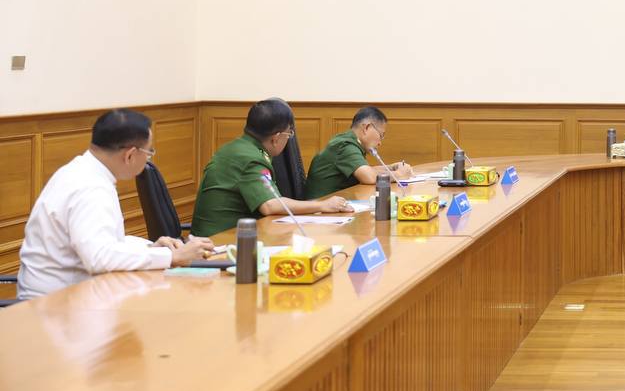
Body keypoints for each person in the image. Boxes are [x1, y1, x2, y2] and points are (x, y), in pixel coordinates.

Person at [17, 109, 214, 300]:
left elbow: (101, 241)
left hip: (74, 295)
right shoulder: (90, 187)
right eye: (149, 152)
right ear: (130, 155)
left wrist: (151, 248)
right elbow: (99, 257)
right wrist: (172, 257)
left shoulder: (83, 171)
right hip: (54, 305)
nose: (148, 158)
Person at [191, 98, 353, 236]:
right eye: (289, 134)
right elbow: (270, 205)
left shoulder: (239, 148)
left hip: (228, 234)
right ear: (276, 138)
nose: (289, 139)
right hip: (220, 241)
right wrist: (322, 205)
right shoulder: (251, 159)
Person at [304, 106, 416, 199]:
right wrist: (399, 174)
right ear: (366, 128)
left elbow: (365, 170)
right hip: (319, 211)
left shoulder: (351, 142)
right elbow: (369, 177)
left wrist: (390, 168)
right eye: (381, 135)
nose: (380, 143)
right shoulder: (345, 145)